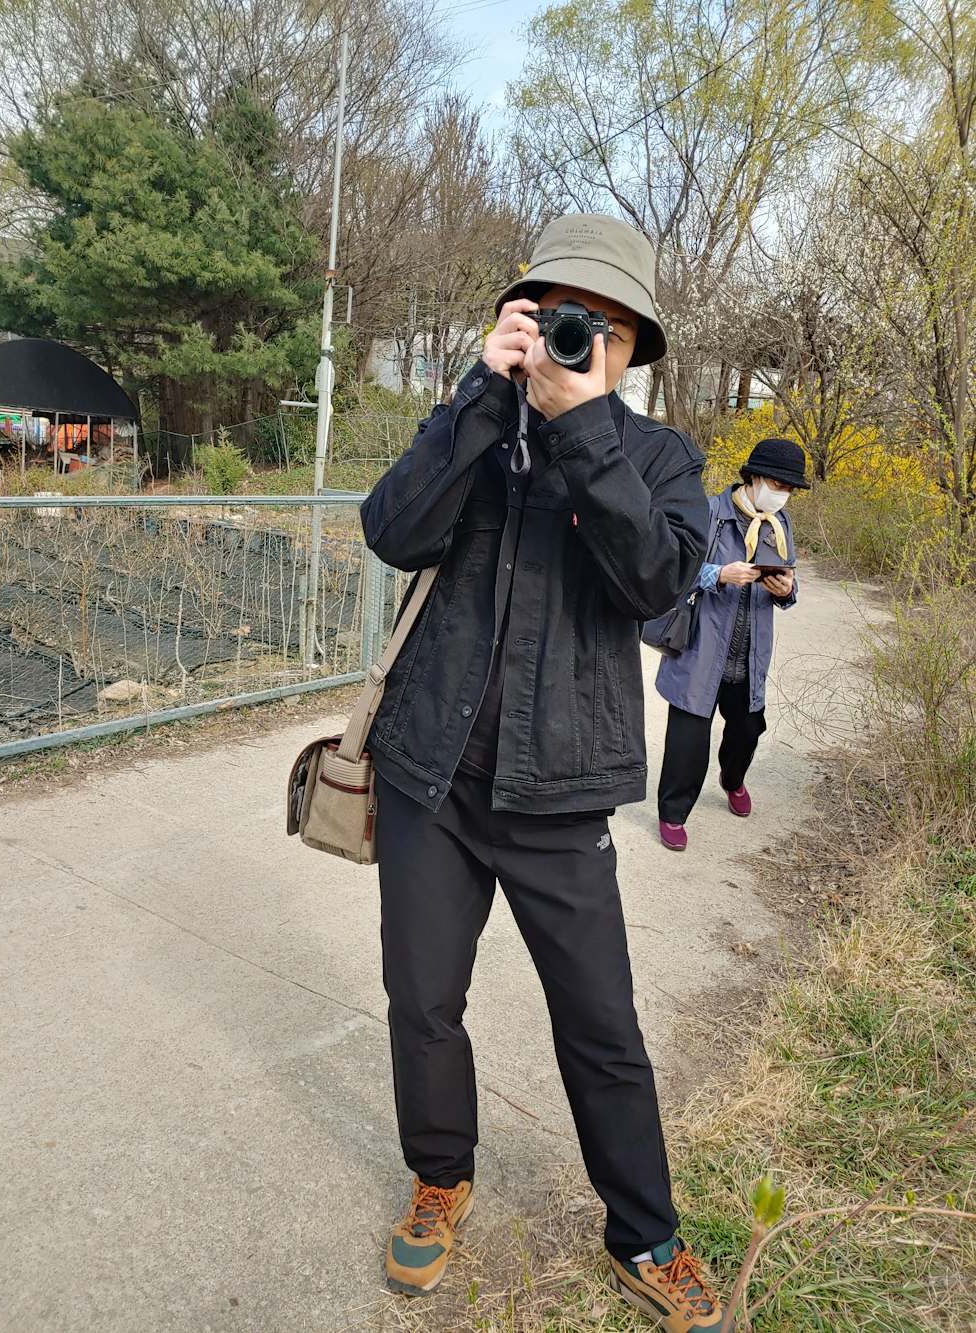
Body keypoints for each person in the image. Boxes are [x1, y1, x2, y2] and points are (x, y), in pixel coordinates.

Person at [360, 214, 729, 1331]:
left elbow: (660, 589)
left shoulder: (658, 458)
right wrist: (482, 395)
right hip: (431, 772)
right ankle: (440, 1174)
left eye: (603, 325)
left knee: (600, 1022)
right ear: (525, 316)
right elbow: (390, 528)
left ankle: (646, 1231)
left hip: (561, 796)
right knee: (423, 1003)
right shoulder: (474, 421)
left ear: (632, 345)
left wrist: (585, 436)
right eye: (561, 314)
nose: (579, 338)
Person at [654, 437, 808, 852]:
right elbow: (670, 570)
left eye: (791, 489)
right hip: (700, 649)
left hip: (749, 653)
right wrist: (718, 574)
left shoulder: (781, 525)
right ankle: (672, 812)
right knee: (687, 742)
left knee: (747, 731)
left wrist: (785, 588)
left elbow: (789, 590)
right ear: (755, 476)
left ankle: (732, 778)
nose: (784, 495)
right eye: (779, 484)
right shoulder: (706, 512)